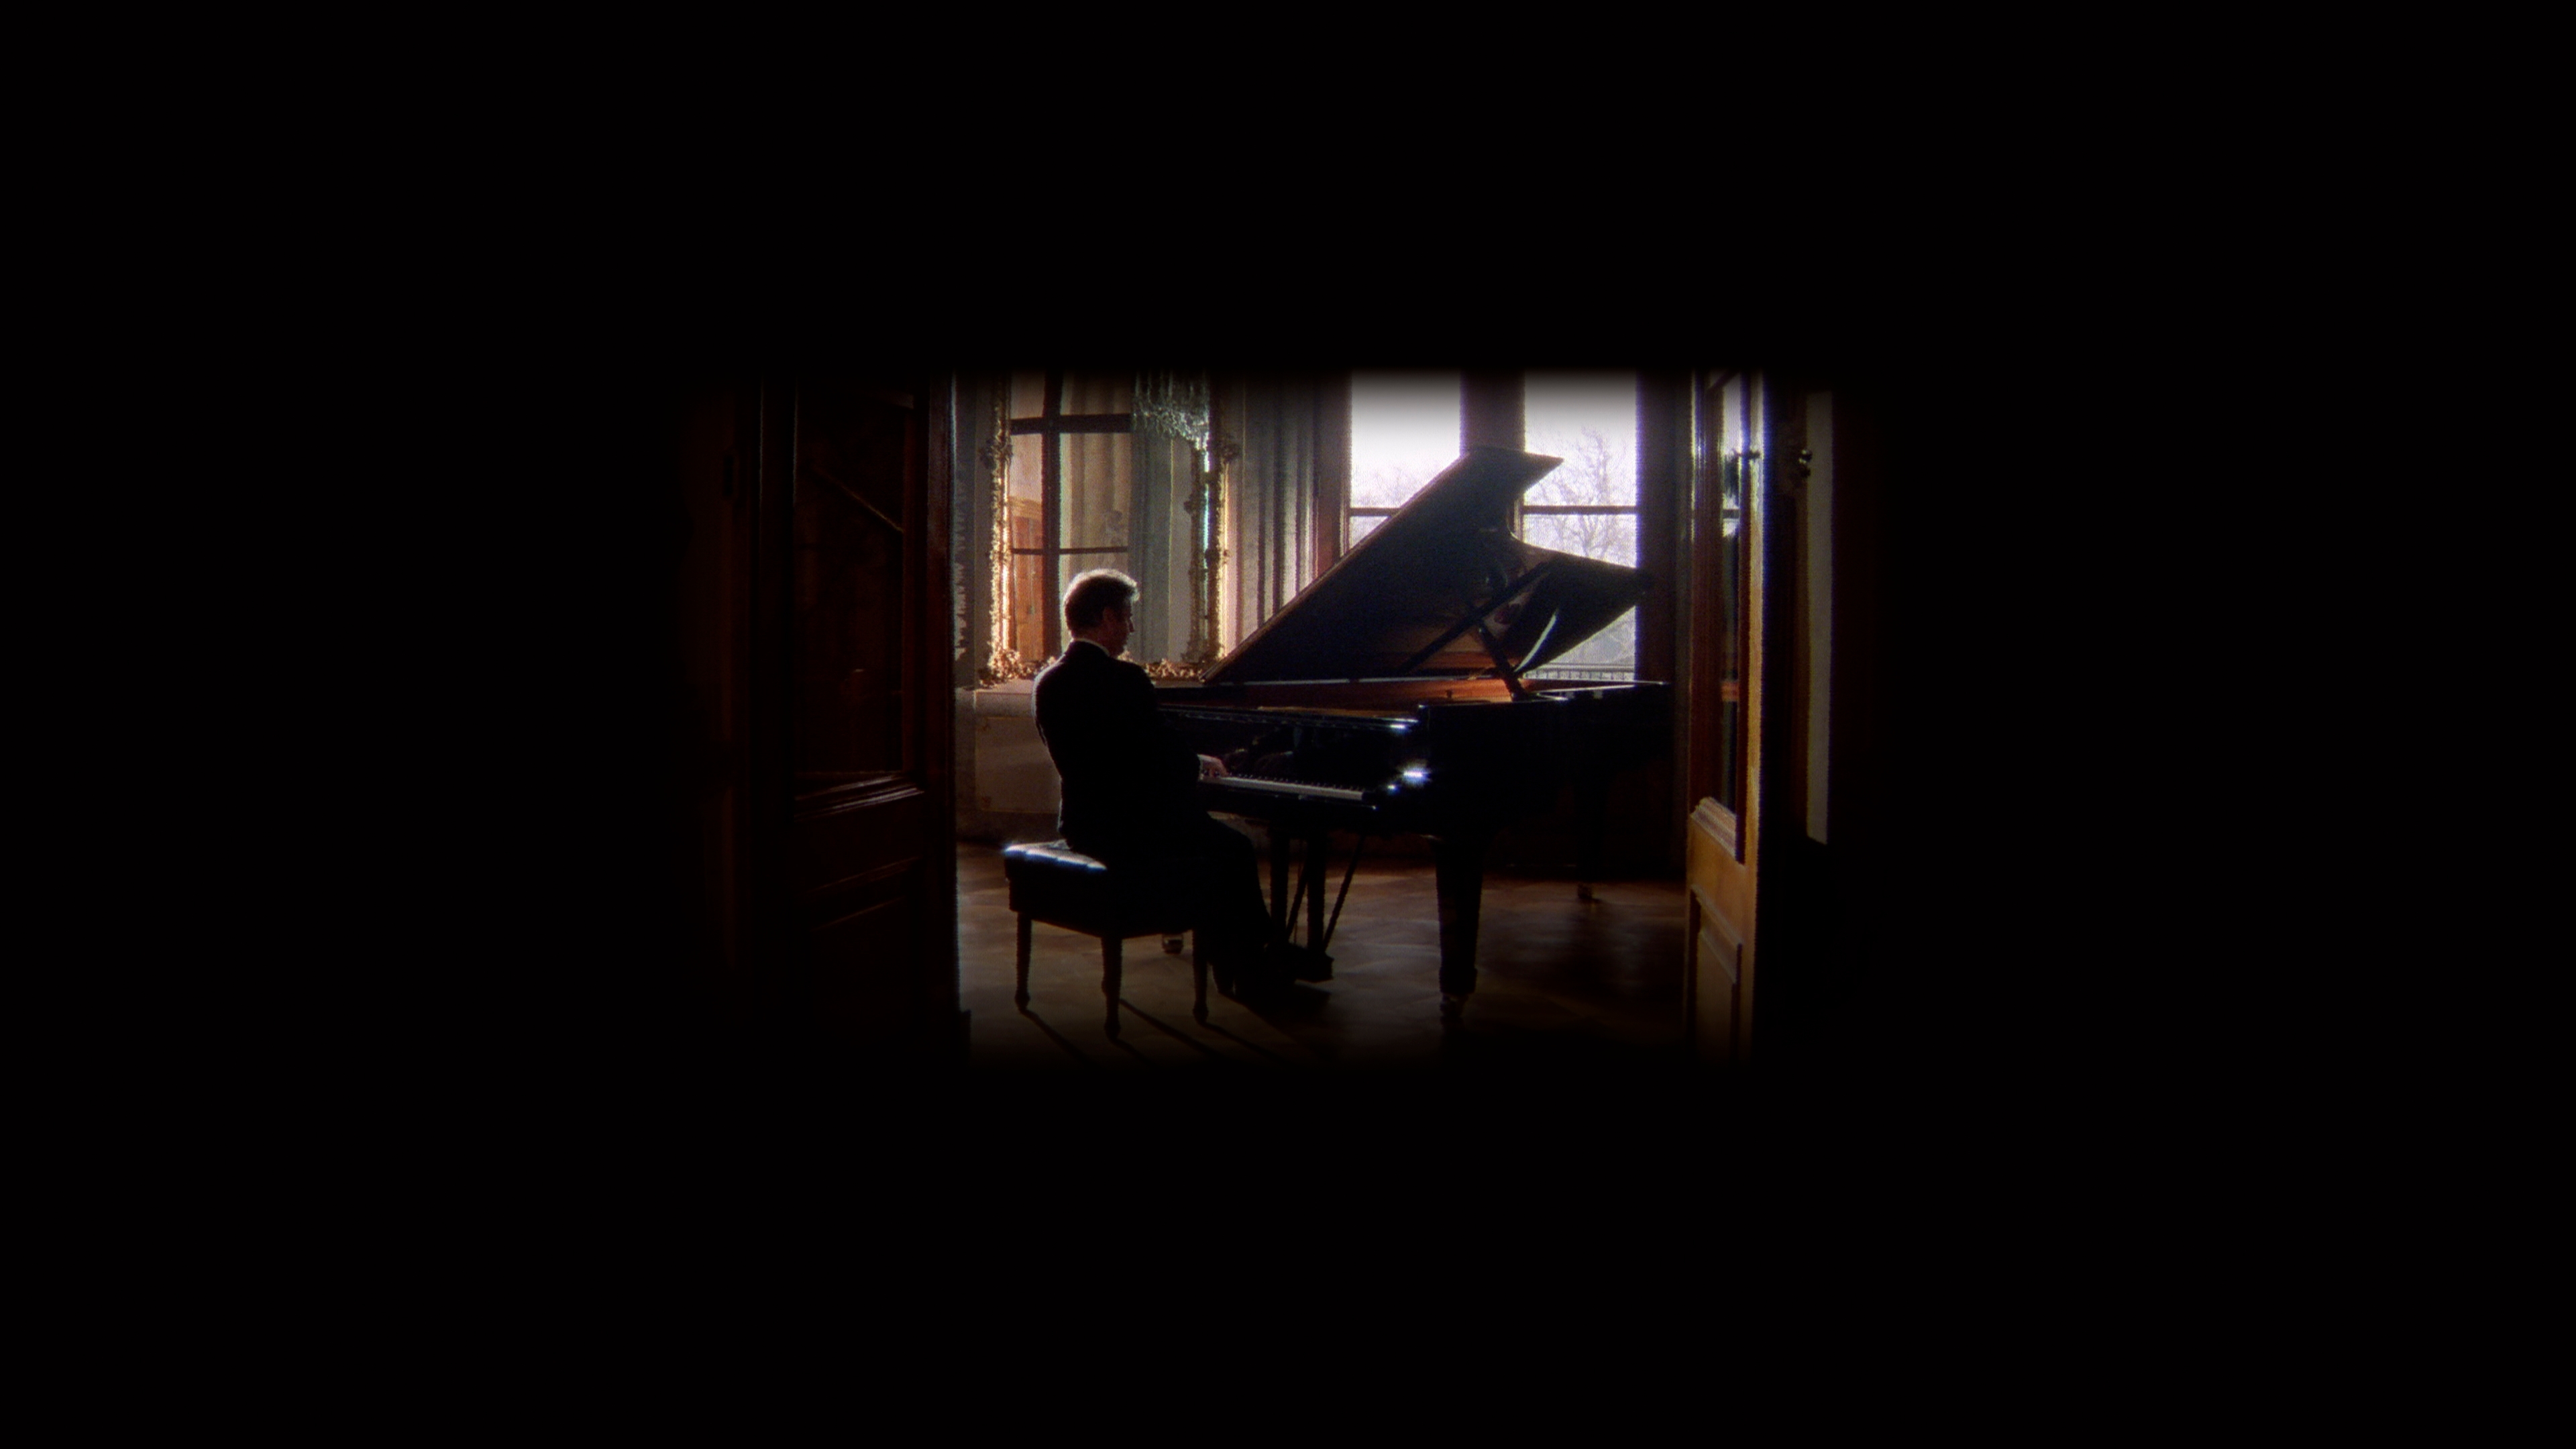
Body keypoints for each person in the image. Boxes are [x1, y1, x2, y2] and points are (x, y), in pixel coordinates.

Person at [1033, 569, 1283, 996]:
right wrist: (1198, 765)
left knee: (1212, 844)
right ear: (1107, 617)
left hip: (1083, 826)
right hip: (1132, 829)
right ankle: (1249, 964)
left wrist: (1184, 764)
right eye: (1127, 617)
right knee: (1233, 849)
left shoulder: (1049, 681)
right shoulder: (1124, 679)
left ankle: (1234, 958)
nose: (1131, 628)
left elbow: (1117, 758)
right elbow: (1162, 757)